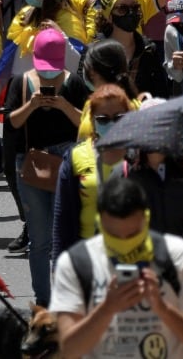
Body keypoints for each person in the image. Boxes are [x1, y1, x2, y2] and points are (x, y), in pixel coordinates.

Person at [52, 175, 183, 359]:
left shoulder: (178, 255)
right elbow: (66, 349)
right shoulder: (76, 263)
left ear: (146, 219)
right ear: (100, 223)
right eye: (114, 236)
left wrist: (162, 308)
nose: (124, 243)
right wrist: (106, 309)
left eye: (133, 235)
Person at [6, 29, 85, 306]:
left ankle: (66, 298)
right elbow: (12, 122)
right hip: (32, 163)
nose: (49, 74)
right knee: (39, 240)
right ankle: (43, 300)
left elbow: (84, 124)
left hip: (67, 161)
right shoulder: (21, 82)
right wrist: (31, 105)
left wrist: (63, 105)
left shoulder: (74, 84)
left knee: (64, 235)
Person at [51, 83, 132, 262]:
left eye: (118, 117)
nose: (111, 123)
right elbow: (62, 222)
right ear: (92, 120)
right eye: (103, 119)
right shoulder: (76, 156)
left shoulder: (140, 156)